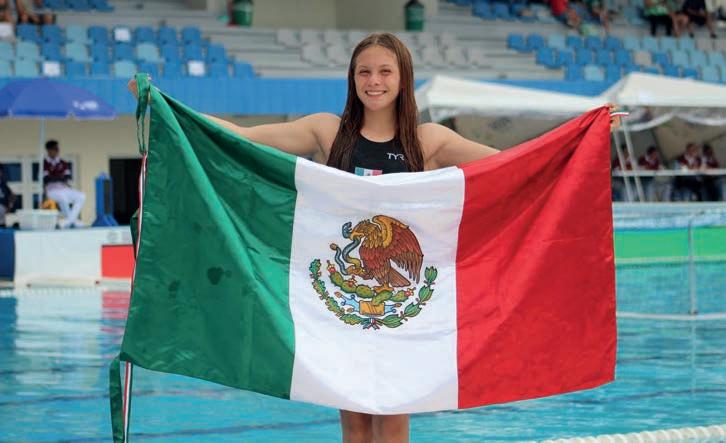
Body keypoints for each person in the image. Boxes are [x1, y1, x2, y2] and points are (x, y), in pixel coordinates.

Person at [129, 32, 619, 443]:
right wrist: (165, 108)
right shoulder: (327, 133)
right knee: (355, 422)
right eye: (364, 72)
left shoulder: (429, 141)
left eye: (385, 71)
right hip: (342, 304)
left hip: (405, 309)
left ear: (403, 78)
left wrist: (587, 136)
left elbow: (520, 164)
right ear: (352, 79)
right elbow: (241, 136)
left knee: (392, 418)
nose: (374, 81)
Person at [43, 140, 86, 228]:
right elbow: (46, 179)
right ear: (49, 150)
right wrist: (59, 177)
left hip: (64, 188)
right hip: (51, 190)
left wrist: (55, 177)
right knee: (63, 197)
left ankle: (69, 220)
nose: (57, 151)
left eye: (57, 149)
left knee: (81, 196)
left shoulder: (63, 163)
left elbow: (67, 177)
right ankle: (73, 221)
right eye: (54, 149)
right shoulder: (44, 163)